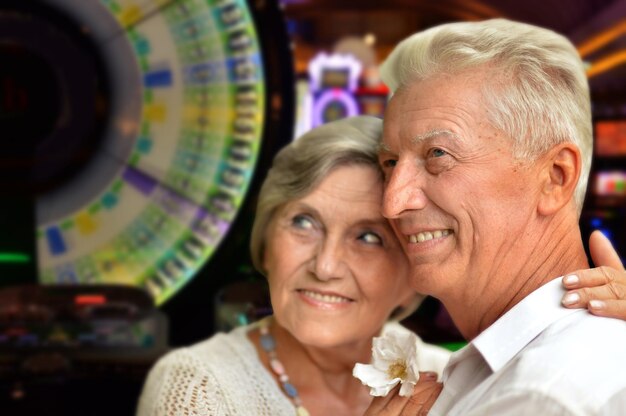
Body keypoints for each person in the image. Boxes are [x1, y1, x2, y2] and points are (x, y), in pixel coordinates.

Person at [137, 116, 626, 416]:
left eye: (368, 237)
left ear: (414, 270)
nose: (326, 266)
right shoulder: (197, 386)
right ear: (266, 243)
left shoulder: (454, 377)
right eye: (304, 223)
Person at [368, 18, 626, 415]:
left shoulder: (541, 395)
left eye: (438, 155)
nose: (393, 201)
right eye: (389, 161)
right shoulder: (518, 370)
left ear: (555, 177)